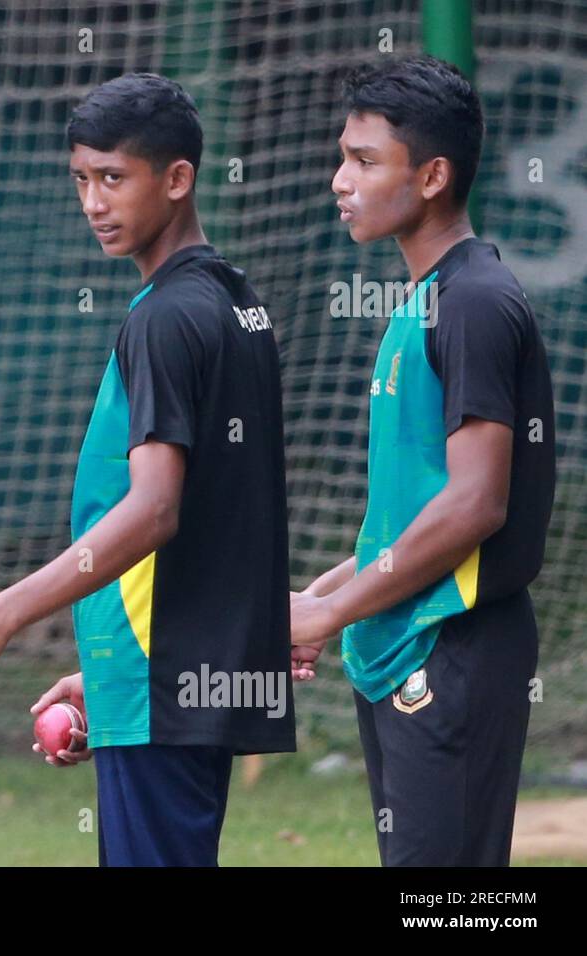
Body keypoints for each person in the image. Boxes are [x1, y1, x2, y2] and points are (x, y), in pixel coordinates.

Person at [0, 74, 295, 866]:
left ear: (177, 179)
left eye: (114, 178)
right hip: (175, 673)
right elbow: (223, 519)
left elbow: (156, 510)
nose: (93, 202)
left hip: (163, 685)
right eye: (81, 179)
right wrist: (105, 673)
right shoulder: (238, 305)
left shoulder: (167, 318)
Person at [291, 55, 556, 866]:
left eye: (365, 161)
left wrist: (331, 613)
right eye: (343, 156)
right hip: (405, 645)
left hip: (457, 648)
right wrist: (322, 593)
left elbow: (476, 506)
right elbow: (413, 515)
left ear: (434, 174)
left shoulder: (474, 300)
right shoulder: (424, 301)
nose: (341, 180)